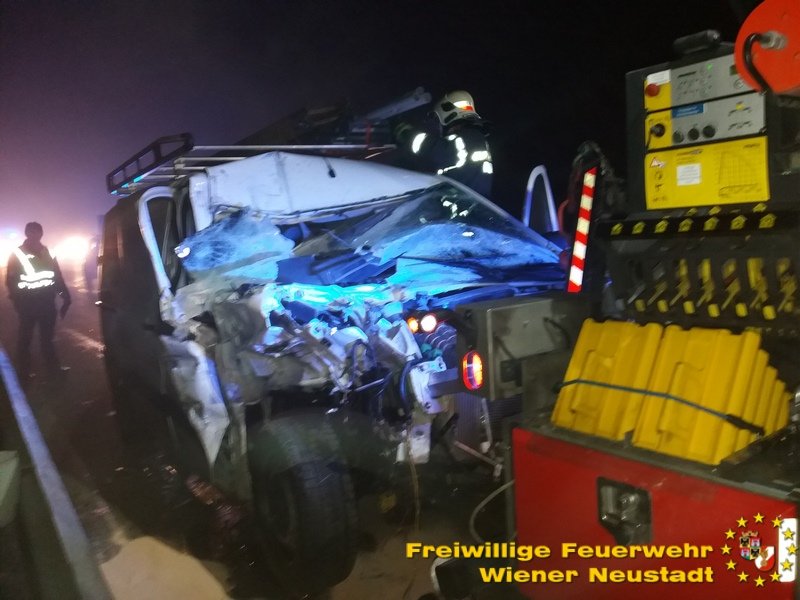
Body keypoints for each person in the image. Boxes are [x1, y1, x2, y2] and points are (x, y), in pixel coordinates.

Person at [395, 90, 493, 198]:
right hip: (466, 202)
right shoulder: (475, 139)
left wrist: (404, 133)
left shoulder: (468, 137)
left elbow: (434, 151)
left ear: (447, 115)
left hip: (458, 203)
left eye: (437, 121)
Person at [5, 222, 71, 379]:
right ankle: (24, 372)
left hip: (47, 303)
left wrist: (66, 295)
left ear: (41, 233)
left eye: (37, 232)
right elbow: (11, 282)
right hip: (27, 304)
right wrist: (18, 303)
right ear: (26, 234)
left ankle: (54, 370)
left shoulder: (48, 252)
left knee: (47, 339)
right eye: (31, 232)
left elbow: (57, 276)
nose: (34, 235)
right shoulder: (17, 254)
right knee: (25, 339)